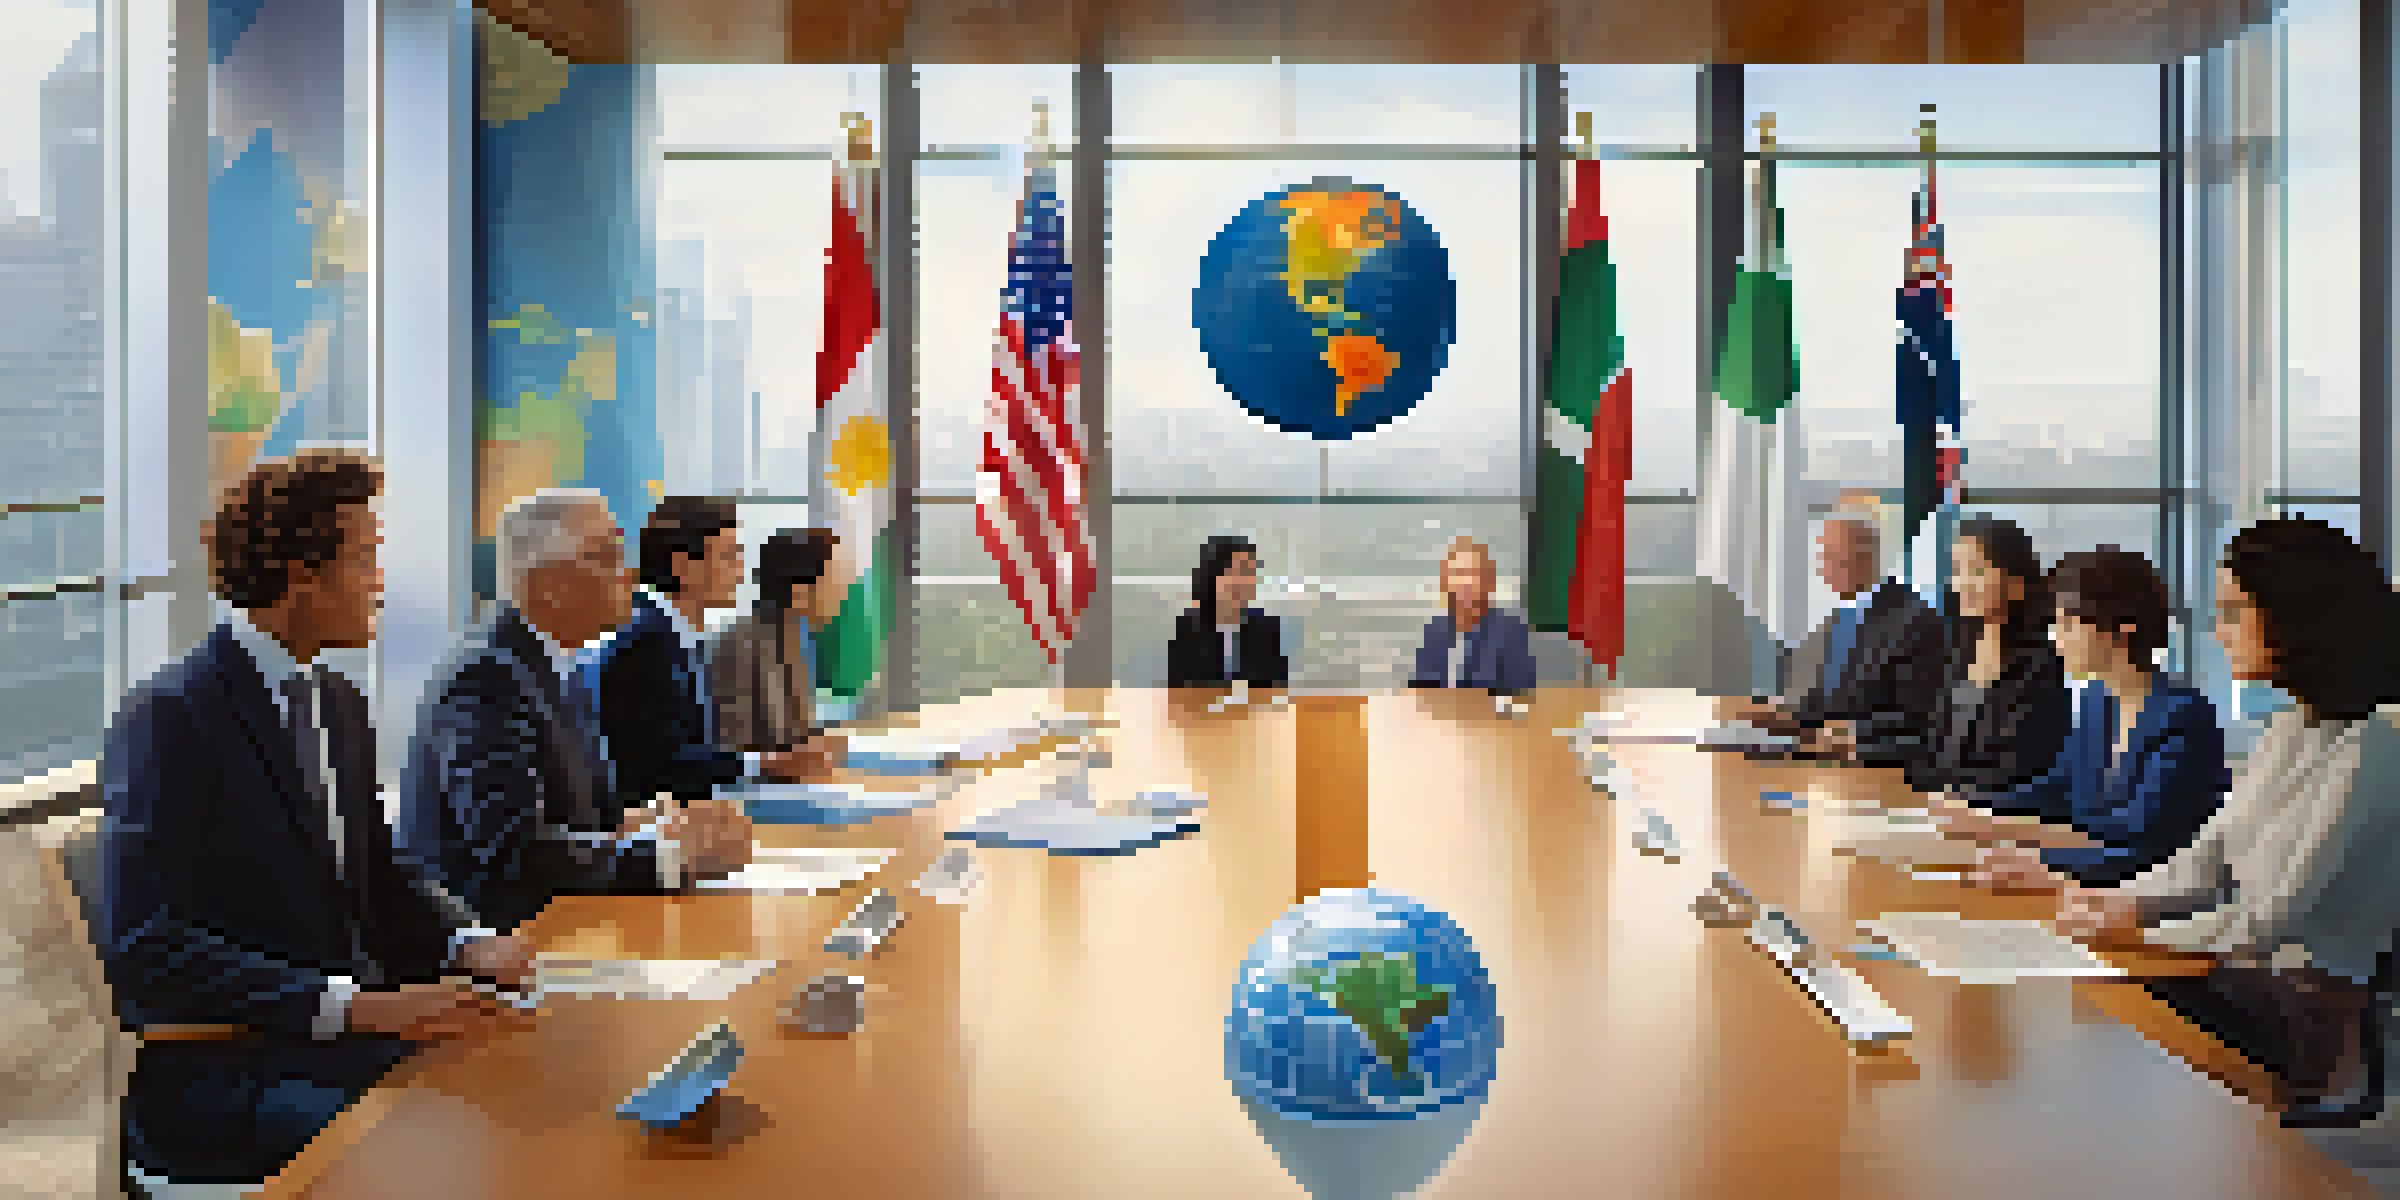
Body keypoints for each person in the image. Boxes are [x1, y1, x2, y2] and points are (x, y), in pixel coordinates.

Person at [99, 451, 531, 1189]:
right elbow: (145, 945)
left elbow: (377, 872)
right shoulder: (171, 715)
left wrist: (468, 942)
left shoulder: (340, 704)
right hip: (231, 1068)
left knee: (528, 1078)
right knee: (459, 1141)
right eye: (364, 560)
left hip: (339, 1042)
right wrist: (357, 1009)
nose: (380, 583)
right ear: (301, 577)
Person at [2055, 519, 2400, 1126]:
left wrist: (2144, 934)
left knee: (2097, 1012)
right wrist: (2120, 903)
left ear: (2296, 618)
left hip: (2305, 1015)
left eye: (2235, 613)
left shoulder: (2373, 744)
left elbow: (2271, 917)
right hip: (2243, 978)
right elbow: (2209, 855)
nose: (2219, 633)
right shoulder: (2291, 727)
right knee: (2085, 1001)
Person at [398, 490, 752, 935]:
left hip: (567, 925)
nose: (629, 575)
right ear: (548, 583)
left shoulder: (553, 663)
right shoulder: (487, 675)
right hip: (502, 943)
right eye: (607, 557)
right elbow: (512, 852)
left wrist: (654, 823)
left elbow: (580, 819)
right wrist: (669, 856)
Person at [1942, 546, 2228, 889]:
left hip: (2152, 895)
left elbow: (2141, 839)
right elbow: (2062, 783)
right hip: (2090, 887)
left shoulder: (2185, 719)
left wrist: (2036, 853)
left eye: (2068, 625)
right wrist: (1977, 807)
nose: (2057, 640)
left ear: (2122, 628)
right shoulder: (2097, 700)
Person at [1733, 503, 1944, 764]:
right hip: (1827, 759)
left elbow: (1922, 716)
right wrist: (1783, 715)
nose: (1826, 569)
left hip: (1875, 766)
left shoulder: (1915, 619)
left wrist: (1853, 733)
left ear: (1869, 556)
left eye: (1836, 557)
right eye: (1823, 557)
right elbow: (1834, 701)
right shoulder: (1845, 615)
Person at [1900, 516, 2071, 794]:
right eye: (1958, 570)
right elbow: (1930, 747)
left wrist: (1944, 794)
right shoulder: (1958, 654)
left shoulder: (2042, 667)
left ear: (2016, 585)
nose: (1963, 583)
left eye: (1977, 570)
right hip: (1944, 809)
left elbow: (2017, 772)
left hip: (2000, 815)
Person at [713, 527, 847, 768]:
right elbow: (729, 751)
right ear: (800, 591)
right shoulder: (739, 647)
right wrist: (791, 758)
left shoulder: (798, 637)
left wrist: (818, 743)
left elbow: (797, 734)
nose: (843, 593)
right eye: (834, 581)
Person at [1409, 537, 1536, 695]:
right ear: (1445, 582)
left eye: (1474, 573)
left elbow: (1521, 695)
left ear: (1489, 581)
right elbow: (1420, 690)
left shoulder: (1512, 631)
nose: (1466, 582)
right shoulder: (1435, 631)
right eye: (1459, 573)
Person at [1167, 535, 1288, 688]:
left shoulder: (1267, 629)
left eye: (1249, 573)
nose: (1244, 582)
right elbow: (1180, 690)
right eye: (1236, 572)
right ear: (1213, 576)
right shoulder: (1189, 629)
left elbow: (1277, 689)